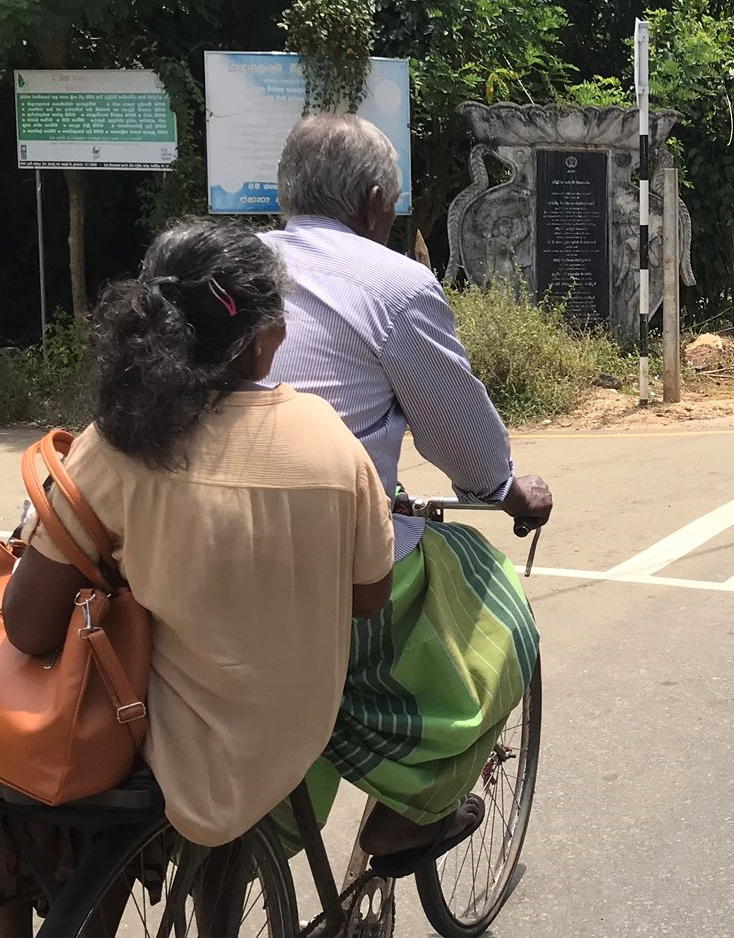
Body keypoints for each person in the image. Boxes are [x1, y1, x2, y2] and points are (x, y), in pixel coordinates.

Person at [0, 221, 395, 933]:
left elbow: (28, 626)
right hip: (286, 733)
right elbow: (370, 597)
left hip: (162, 739)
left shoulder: (122, 444)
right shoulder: (330, 438)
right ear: (265, 337)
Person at [261, 113, 551, 871]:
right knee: (500, 606)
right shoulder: (392, 284)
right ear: (371, 201)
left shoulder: (221, 270)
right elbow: (462, 441)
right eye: (390, 204)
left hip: (187, 550)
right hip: (336, 564)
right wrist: (505, 489)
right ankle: (407, 813)